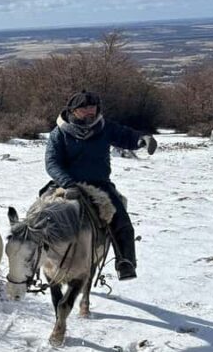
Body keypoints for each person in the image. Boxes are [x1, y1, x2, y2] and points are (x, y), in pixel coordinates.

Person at [44, 90, 157, 281]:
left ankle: (125, 262)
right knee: (40, 216)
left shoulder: (104, 127)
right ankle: (33, 259)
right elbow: (52, 162)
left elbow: (125, 135)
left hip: (99, 185)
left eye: (93, 107)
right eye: (85, 109)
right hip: (66, 184)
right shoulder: (59, 133)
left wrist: (142, 139)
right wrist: (67, 183)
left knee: (121, 220)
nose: (90, 112)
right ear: (73, 111)